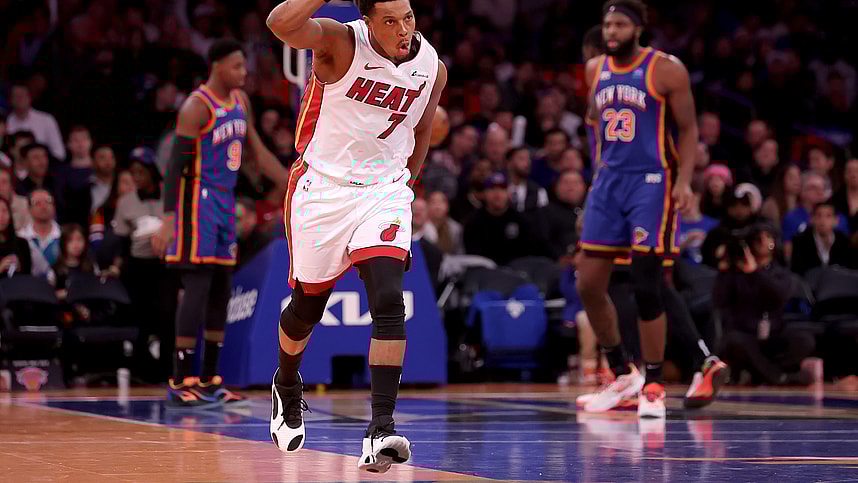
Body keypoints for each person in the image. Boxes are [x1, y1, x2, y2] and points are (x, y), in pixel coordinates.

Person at [266, 0, 446, 472]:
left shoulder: (432, 67)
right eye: (390, 20)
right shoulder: (340, 42)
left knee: (388, 298)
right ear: (368, 22)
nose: (404, 28)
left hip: (384, 190)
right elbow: (280, 24)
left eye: (409, 17)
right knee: (307, 306)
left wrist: (405, 182)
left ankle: (380, 428)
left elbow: (422, 128)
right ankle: (287, 382)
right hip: (322, 187)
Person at [576, 0, 699, 419]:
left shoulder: (666, 69)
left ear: (638, 28)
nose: (611, 30)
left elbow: (689, 128)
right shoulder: (595, 70)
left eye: (620, 23)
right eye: (607, 23)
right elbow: (595, 119)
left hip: (652, 181)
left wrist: (683, 182)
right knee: (588, 283)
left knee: (647, 282)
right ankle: (620, 371)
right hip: (608, 181)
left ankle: (654, 383)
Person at [152, 39, 290, 409]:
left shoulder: (241, 103)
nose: (244, 74)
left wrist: (291, 181)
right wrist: (168, 219)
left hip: (226, 205)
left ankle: (212, 379)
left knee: (220, 290)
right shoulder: (197, 107)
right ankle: (181, 379)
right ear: (216, 67)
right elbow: (174, 168)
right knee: (197, 287)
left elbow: (257, 152)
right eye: (237, 67)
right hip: (197, 204)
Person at [713, 223, 815, 386]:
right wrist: (724, 269)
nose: (762, 242)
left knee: (804, 339)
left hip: (774, 335)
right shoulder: (734, 273)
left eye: (767, 237)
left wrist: (755, 273)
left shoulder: (782, 273)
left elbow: (777, 297)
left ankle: (760, 373)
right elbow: (718, 300)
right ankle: (778, 377)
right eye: (757, 238)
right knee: (734, 341)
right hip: (745, 336)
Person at [790, 200, 857, 276]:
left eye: (828, 216)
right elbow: (796, 272)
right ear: (812, 219)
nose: (823, 221)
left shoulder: (844, 241)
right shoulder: (800, 241)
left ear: (836, 220)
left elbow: (851, 271)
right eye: (819, 215)